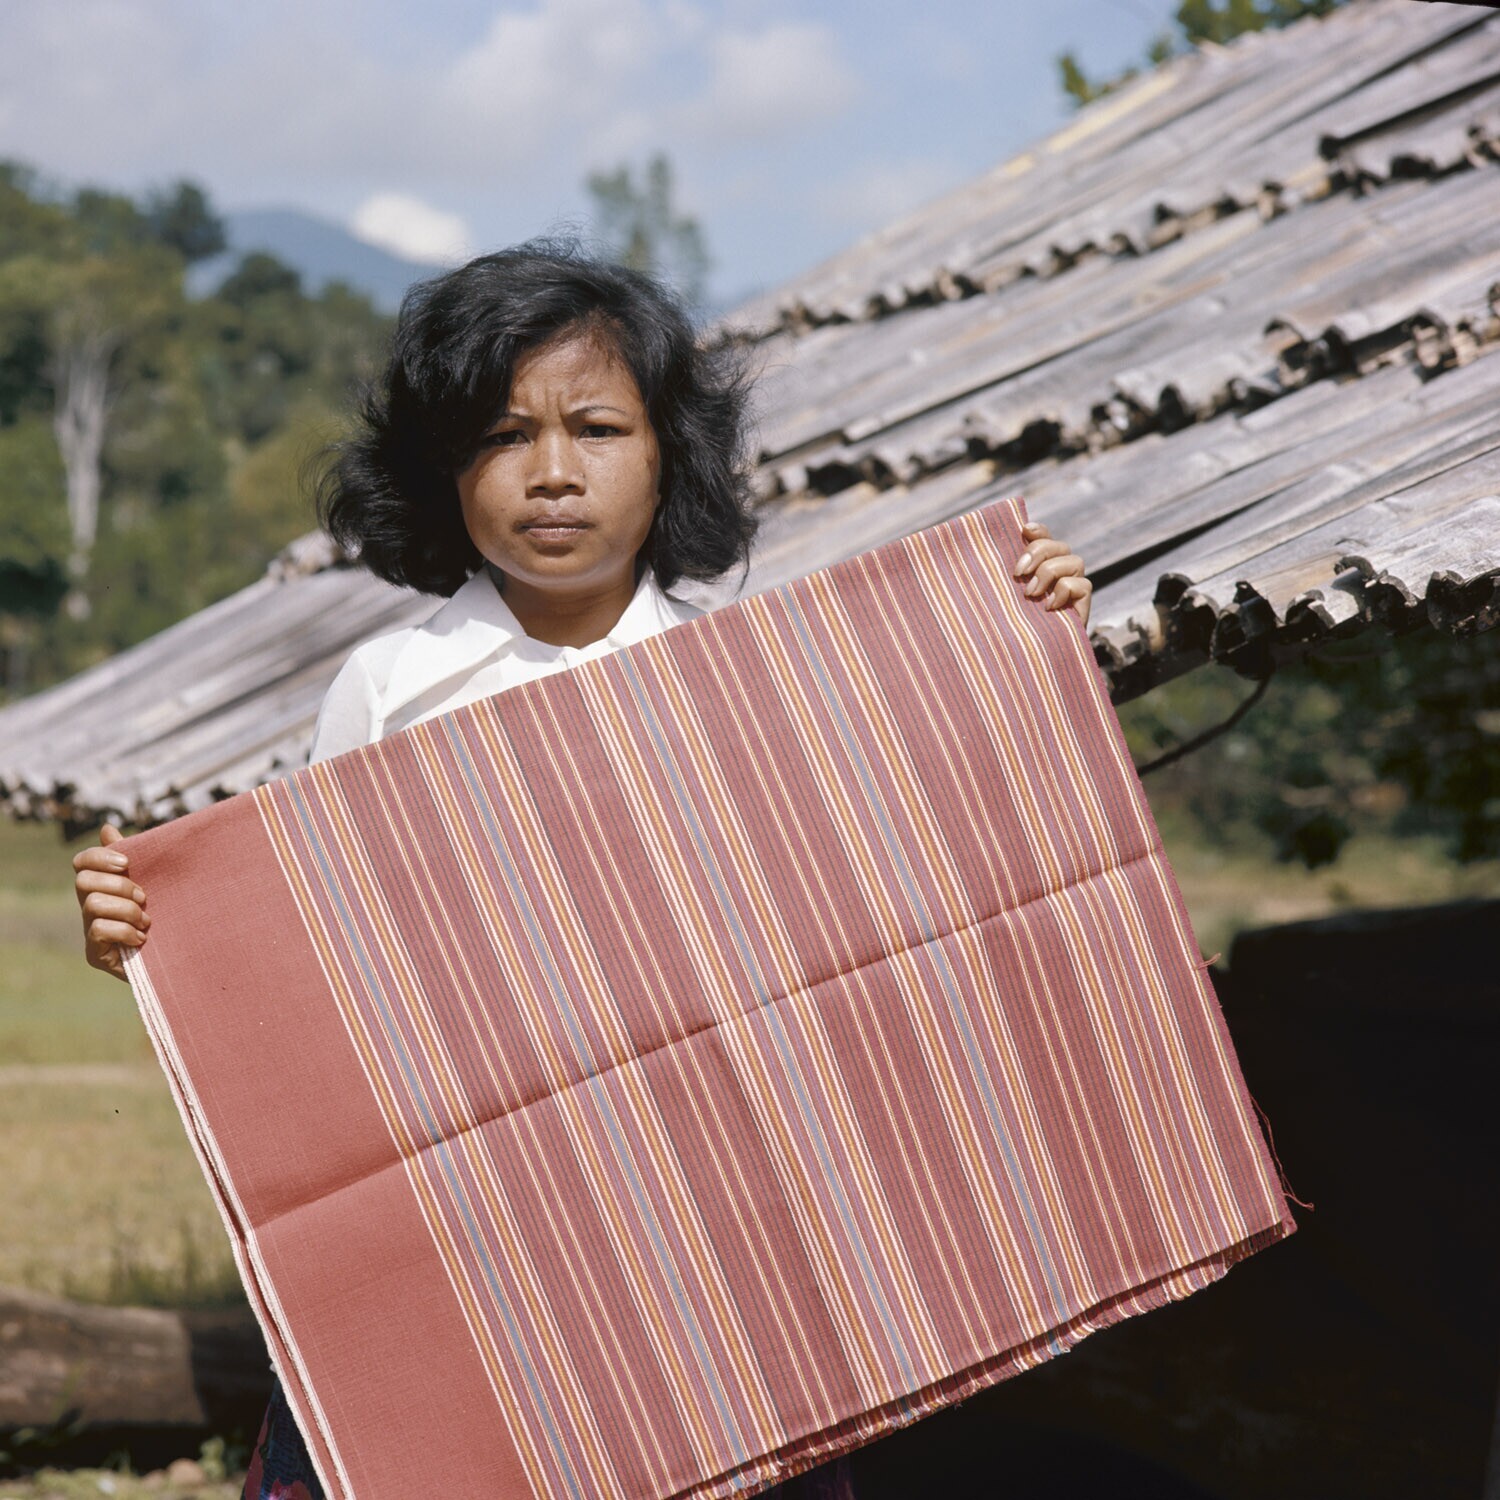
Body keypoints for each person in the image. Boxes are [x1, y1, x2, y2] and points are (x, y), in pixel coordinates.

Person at [73, 241, 1095, 1499]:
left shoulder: (750, 677)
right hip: (483, 1224)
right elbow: (311, 959)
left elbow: (912, 862)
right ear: (443, 469)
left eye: (598, 429)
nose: (552, 472)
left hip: (726, 1210)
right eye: (504, 435)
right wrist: (149, 935)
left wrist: (1025, 636)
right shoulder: (388, 693)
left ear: (668, 455)